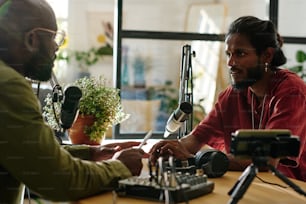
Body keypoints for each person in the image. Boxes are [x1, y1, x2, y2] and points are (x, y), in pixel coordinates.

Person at [0, 0, 145, 203]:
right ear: (31, 39)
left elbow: (32, 150)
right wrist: (120, 167)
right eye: (53, 38)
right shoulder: (8, 86)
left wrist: (92, 152)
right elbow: (60, 179)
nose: (56, 48)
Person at [150, 16, 306, 181]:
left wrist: (192, 159)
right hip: (250, 185)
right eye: (229, 54)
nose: (230, 62)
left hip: (292, 190)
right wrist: (174, 147)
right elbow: (198, 137)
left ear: (267, 55)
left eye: (240, 54)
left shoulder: (292, 93)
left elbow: (266, 160)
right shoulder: (232, 95)